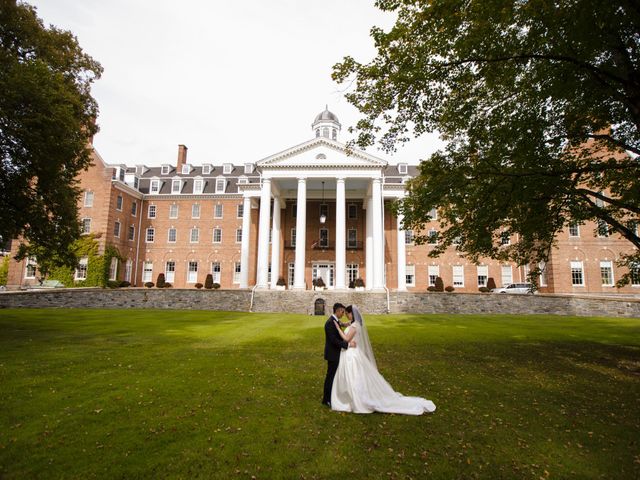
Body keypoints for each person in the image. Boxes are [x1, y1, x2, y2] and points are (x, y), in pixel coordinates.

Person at [331, 305, 436, 415]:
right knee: (356, 376)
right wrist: (342, 324)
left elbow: (347, 339)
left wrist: (338, 329)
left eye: (347, 314)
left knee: (354, 376)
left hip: (351, 354)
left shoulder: (354, 326)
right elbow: (348, 324)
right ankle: (350, 395)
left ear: (351, 313)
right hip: (353, 352)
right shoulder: (355, 323)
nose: (346, 316)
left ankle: (355, 398)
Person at [322, 302, 356, 407]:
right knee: (330, 376)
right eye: (342, 312)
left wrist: (344, 324)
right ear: (337, 311)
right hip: (332, 354)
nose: (343, 314)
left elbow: (340, 324)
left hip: (336, 353)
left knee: (334, 376)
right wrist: (348, 345)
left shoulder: (335, 321)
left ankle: (332, 396)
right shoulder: (330, 323)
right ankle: (326, 399)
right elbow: (334, 341)